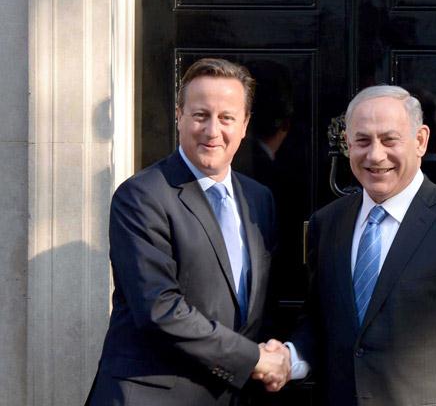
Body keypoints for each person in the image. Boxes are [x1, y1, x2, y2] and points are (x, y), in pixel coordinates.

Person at [258, 85, 436, 405]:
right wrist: (290, 358)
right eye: (362, 140)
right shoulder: (327, 224)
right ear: (347, 143)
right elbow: (322, 320)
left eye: (389, 140)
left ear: (421, 140)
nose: (375, 155)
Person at [86, 58, 290, 405]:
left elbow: (259, 306)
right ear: (179, 116)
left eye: (226, 117)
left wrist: (283, 354)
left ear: (245, 125)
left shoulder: (260, 200)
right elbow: (159, 308)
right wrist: (255, 359)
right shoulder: (141, 196)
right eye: (200, 115)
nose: (213, 130)